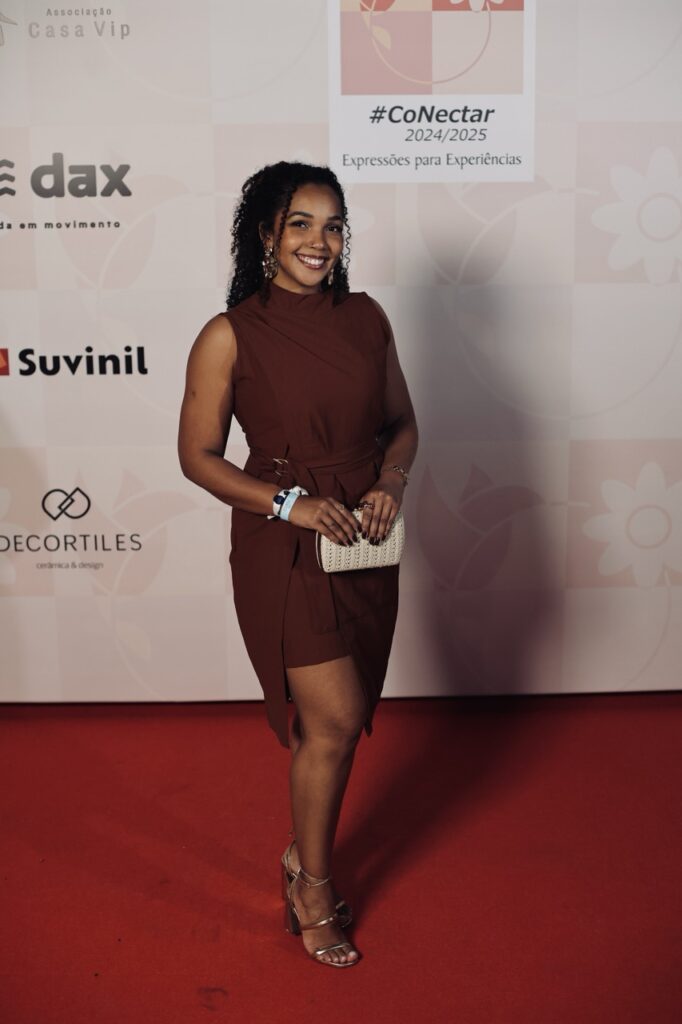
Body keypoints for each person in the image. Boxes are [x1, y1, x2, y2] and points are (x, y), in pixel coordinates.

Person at [178, 161, 418, 968]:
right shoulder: (229, 334)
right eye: (301, 224)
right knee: (335, 718)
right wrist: (290, 504)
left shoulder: (367, 317)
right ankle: (313, 886)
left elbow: (402, 423)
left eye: (333, 225)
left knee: (337, 724)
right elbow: (197, 456)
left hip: (363, 535)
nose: (320, 241)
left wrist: (391, 482)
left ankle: (299, 858)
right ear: (266, 235)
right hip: (283, 542)